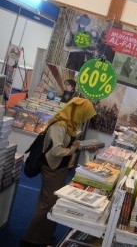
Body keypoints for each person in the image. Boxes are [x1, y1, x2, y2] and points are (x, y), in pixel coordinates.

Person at [21, 97, 96, 247]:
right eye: (83, 114)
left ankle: (44, 236)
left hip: (59, 168)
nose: (83, 118)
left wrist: (79, 146)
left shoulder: (70, 124)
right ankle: (31, 239)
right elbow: (56, 150)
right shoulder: (60, 125)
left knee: (51, 203)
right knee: (47, 203)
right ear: (77, 111)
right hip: (52, 168)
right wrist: (74, 148)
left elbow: (67, 144)